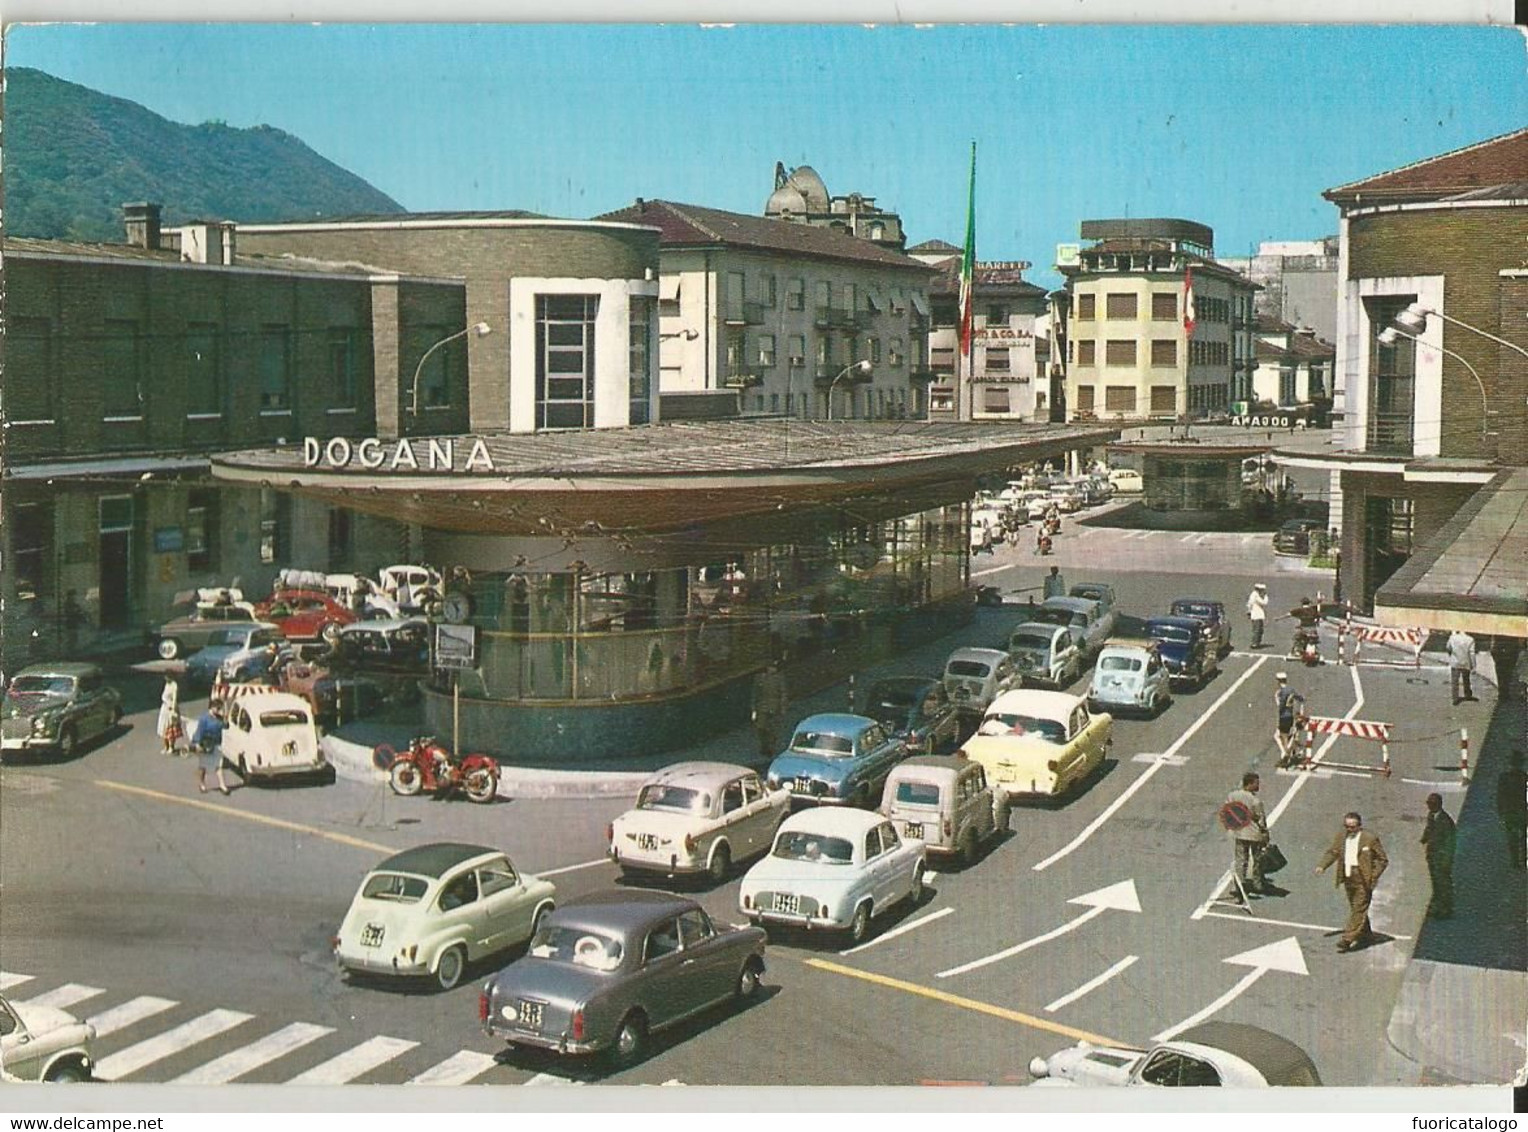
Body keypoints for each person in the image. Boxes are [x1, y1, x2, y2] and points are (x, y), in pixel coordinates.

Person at [1315, 811, 1389, 952]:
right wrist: (1322, 865)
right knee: (1357, 907)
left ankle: (1347, 939)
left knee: (1358, 907)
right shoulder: (1341, 836)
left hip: (1363, 879)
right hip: (1348, 877)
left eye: (1352, 827)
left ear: (1359, 826)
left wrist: (1373, 876)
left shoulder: (1370, 839)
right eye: (1347, 826)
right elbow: (1334, 852)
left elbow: (1382, 860)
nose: (1349, 830)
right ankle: (1365, 933)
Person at [1225, 771, 1271, 897]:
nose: (1258, 785)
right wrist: (1266, 834)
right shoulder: (1255, 801)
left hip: (1239, 832)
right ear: (1249, 784)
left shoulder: (1232, 795)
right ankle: (1257, 883)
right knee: (1257, 859)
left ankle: (1239, 885)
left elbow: (1228, 810)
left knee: (1241, 859)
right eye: (1256, 783)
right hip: (1254, 834)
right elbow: (1261, 820)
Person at [1420, 792, 1456, 920]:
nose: (1429, 806)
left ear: (1438, 805)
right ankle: (1438, 906)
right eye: (1429, 803)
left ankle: (1446, 908)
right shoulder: (1432, 816)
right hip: (1433, 855)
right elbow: (1429, 829)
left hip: (1441, 857)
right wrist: (1424, 839)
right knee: (1436, 882)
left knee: (1444, 883)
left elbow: (1450, 842)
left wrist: (1447, 860)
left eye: (1432, 804)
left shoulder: (1445, 821)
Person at [751, 657, 790, 761]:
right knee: (761, 727)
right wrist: (754, 708)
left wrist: (783, 707)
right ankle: (764, 746)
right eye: (771, 667)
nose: (773, 669)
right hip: (762, 706)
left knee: (772, 729)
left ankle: (770, 748)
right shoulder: (759, 678)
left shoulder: (779, 678)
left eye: (774, 667)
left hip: (774, 707)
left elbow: (783, 693)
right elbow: (755, 694)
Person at [191, 700, 232, 796]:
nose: (219, 710)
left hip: (216, 744)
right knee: (203, 766)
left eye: (220, 708)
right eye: (218, 708)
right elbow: (199, 732)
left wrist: (225, 717)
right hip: (205, 744)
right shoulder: (204, 719)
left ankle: (222, 785)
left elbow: (226, 726)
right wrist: (197, 744)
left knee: (218, 765)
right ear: (212, 707)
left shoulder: (219, 718)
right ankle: (202, 783)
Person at [1496, 748, 1527, 870]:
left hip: (1509, 811)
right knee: (1523, 836)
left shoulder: (1504, 777)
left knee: (1512, 836)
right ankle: (1523, 860)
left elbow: (1500, 796)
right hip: (1522, 811)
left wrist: (1500, 811)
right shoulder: (1524, 777)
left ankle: (1515, 861)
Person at [1273, 672, 1306, 768]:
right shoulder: (1291, 690)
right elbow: (1300, 698)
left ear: (1279, 681)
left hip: (1284, 716)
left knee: (1283, 737)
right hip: (1290, 716)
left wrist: (1276, 699)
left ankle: (1285, 756)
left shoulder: (1282, 692)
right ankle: (1288, 753)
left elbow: (1281, 705)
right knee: (1281, 735)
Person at [1447, 629, 1477, 705]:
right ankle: (1467, 694)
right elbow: (1472, 653)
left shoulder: (1452, 638)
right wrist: (1474, 665)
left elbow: (1448, 647)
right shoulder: (1470, 639)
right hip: (1466, 662)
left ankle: (1455, 698)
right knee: (1466, 679)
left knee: (1455, 681)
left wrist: (1451, 655)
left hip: (1455, 661)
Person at [156, 676, 184, 756]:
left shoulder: (174, 685)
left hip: (170, 708)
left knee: (171, 729)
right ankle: (166, 746)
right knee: (163, 728)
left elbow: (174, 698)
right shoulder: (167, 684)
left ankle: (171, 747)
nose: (166, 679)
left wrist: (173, 710)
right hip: (164, 708)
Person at [1246, 583, 1269, 649]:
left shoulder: (1253, 595)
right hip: (1257, 615)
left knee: (1258, 629)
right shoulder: (1256, 596)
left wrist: (1249, 611)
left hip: (1255, 615)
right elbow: (1264, 603)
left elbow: (1249, 604)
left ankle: (1256, 642)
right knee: (1257, 629)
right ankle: (1255, 643)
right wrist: (1266, 596)